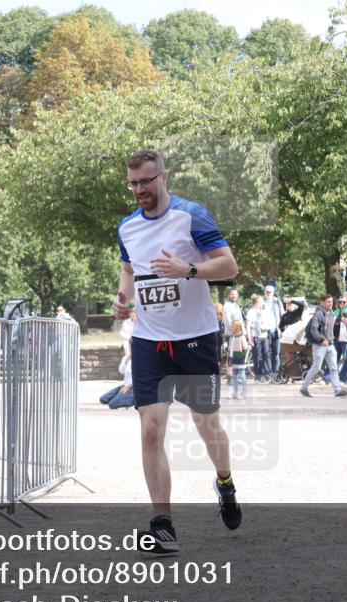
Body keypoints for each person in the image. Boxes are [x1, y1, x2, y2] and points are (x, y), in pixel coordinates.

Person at [112, 149, 241, 553]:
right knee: (151, 428)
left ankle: (225, 482)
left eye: (146, 181)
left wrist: (188, 270)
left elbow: (228, 266)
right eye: (133, 183)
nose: (139, 190)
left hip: (196, 338)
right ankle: (163, 525)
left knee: (208, 426)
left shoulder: (192, 216)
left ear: (165, 177)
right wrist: (122, 297)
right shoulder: (127, 227)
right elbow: (129, 267)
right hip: (150, 340)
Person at [299, 295, 347, 399]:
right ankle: (304, 388)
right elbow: (313, 330)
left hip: (330, 344)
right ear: (322, 302)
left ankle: (337, 390)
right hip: (319, 345)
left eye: (332, 302)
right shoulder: (318, 313)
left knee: (333, 367)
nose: (330, 303)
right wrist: (321, 339)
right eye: (328, 302)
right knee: (316, 367)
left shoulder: (332, 313)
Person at [246, 294, 270, 381]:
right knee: (257, 357)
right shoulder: (251, 312)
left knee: (266, 355)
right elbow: (248, 326)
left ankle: (268, 374)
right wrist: (249, 338)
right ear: (258, 302)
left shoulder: (263, 311)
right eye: (262, 301)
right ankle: (258, 375)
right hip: (256, 337)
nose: (263, 303)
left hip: (265, 336)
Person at [262, 285, 284, 376]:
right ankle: (267, 373)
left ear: (273, 293)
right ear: (264, 292)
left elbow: (282, 315)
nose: (268, 293)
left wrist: (283, 327)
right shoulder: (261, 301)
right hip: (264, 331)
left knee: (276, 354)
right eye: (267, 291)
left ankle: (276, 373)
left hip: (276, 330)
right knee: (265, 353)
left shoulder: (277, 302)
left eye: (270, 292)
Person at [227, 319, 249, 399]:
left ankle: (244, 393)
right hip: (233, 359)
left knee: (242, 376)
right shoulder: (232, 337)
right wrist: (230, 357)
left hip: (240, 359)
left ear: (236, 327)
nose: (231, 327)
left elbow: (245, 349)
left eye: (232, 326)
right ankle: (235, 393)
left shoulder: (242, 337)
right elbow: (230, 348)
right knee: (234, 377)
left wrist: (242, 356)